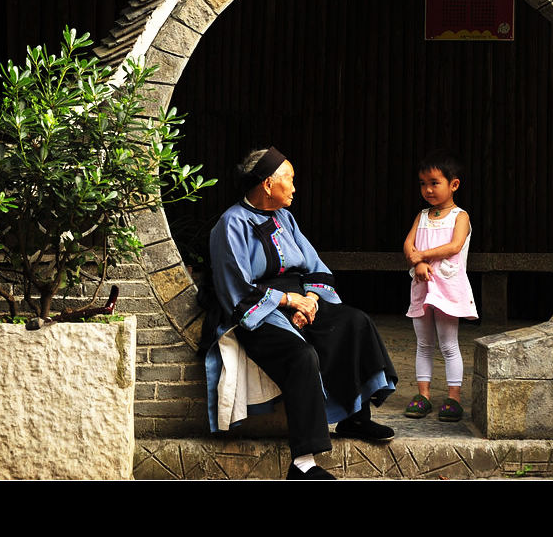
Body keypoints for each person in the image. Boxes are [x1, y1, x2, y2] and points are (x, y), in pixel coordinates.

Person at [204, 147, 398, 480]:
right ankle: (302, 464)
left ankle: (355, 416)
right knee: (302, 355)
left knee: (354, 322)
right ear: (267, 184)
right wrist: (288, 301)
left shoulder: (285, 218)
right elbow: (235, 288)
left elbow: (314, 267)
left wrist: (309, 300)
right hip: (258, 312)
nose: (294, 188)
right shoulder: (229, 225)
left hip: (299, 300)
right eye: (289, 180)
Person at [402, 149, 478, 422]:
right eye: (423, 183)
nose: (428, 189)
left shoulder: (460, 216)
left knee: (448, 344)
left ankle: (453, 397)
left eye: (435, 183)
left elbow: (454, 246)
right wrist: (418, 263)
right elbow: (408, 244)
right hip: (423, 286)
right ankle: (423, 394)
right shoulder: (422, 216)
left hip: (446, 286)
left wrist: (421, 256)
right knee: (423, 344)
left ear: (453, 184)